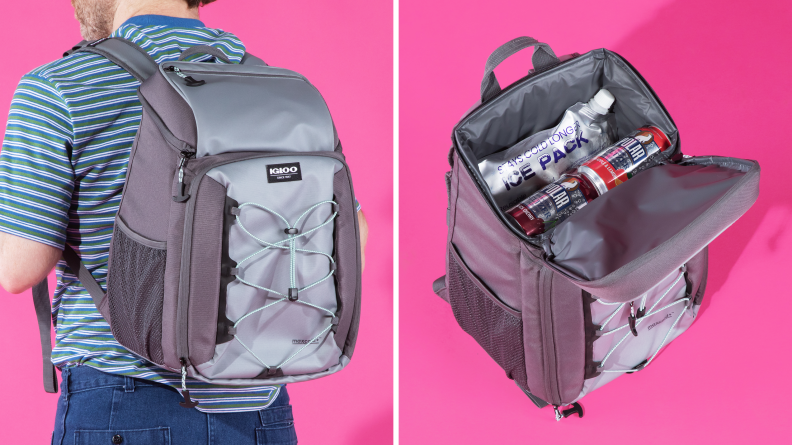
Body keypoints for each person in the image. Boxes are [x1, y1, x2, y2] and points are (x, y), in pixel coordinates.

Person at [0, 0, 369, 444]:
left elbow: (18, 269)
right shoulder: (276, 87)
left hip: (126, 397)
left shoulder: (58, 87)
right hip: (260, 404)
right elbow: (352, 233)